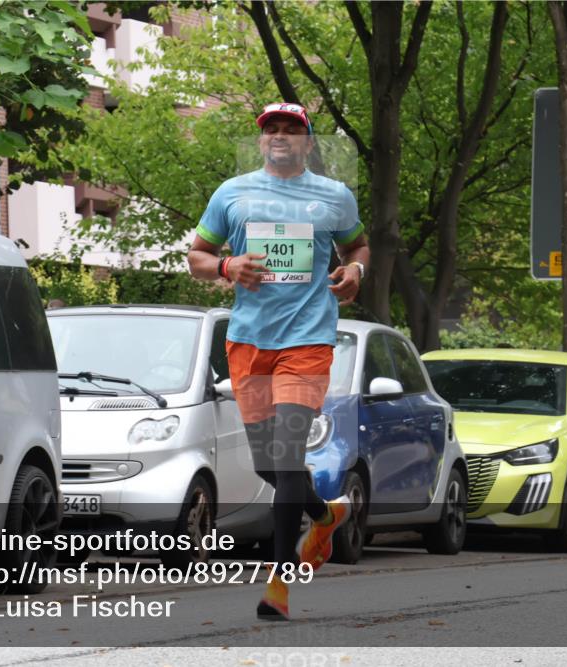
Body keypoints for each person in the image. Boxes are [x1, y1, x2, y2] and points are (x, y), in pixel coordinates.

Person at [187, 102, 371, 621]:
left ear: (308, 143)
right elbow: (196, 257)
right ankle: (324, 513)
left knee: (287, 457)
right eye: (273, 130)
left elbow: (358, 247)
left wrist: (354, 273)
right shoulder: (232, 193)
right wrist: (226, 264)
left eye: (293, 130)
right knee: (269, 464)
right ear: (263, 140)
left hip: (308, 341)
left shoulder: (333, 196)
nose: (282, 137)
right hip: (249, 342)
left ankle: (278, 582)